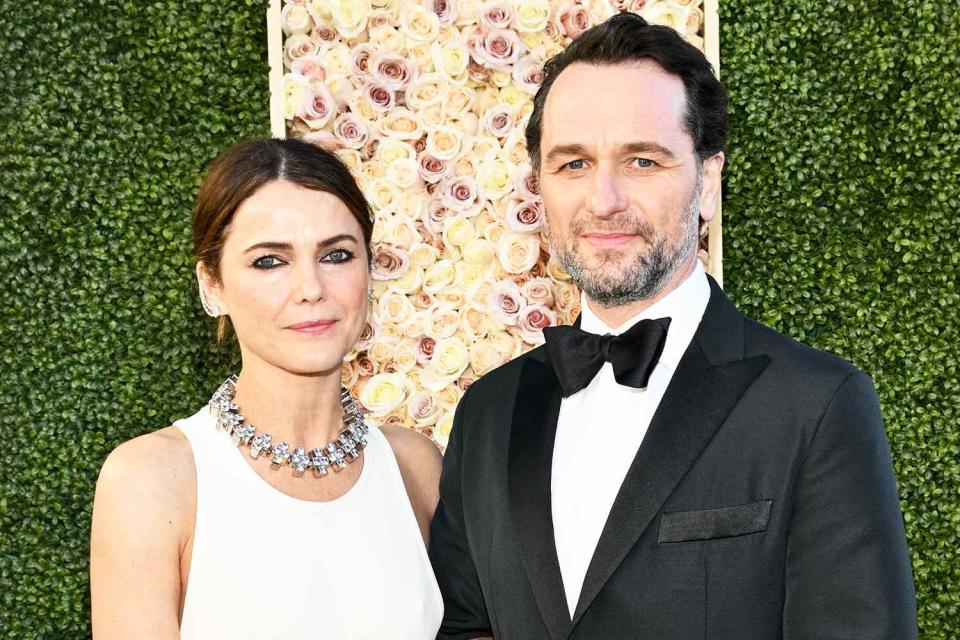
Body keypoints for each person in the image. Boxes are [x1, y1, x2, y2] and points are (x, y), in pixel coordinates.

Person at [429, 13, 917, 639]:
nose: (603, 199)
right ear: (539, 187)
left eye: (642, 161)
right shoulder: (488, 414)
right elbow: (465, 627)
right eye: (573, 164)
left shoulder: (814, 406)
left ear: (707, 182)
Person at [90, 138, 443, 638]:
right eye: (270, 261)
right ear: (212, 285)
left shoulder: (415, 467)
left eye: (337, 255)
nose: (311, 288)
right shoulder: (152, 481)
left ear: (369, 269)